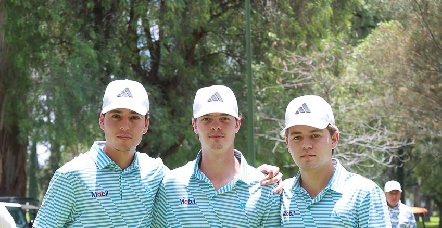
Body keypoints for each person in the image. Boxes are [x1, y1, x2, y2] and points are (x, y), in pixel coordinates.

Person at [33, 79, 281, 227]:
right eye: (116, 116)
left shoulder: (157, 175)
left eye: (134, 117)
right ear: (101, 120)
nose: (124, 125)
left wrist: (257, 175)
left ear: (146, 124)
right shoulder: (70, 176)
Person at [152, 85, 281, 227]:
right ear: (194, 125)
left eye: (224, 118)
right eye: (206, 119)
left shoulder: (265, 188)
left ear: (237, 124)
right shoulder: (170, 185)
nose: (215, 126)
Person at [280, 95, 391, 227]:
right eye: (297, 137)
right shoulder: (280, 195)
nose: (306, 145)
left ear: (334, 139)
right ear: (287, 143)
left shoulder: (364, 194)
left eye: (315, 135)